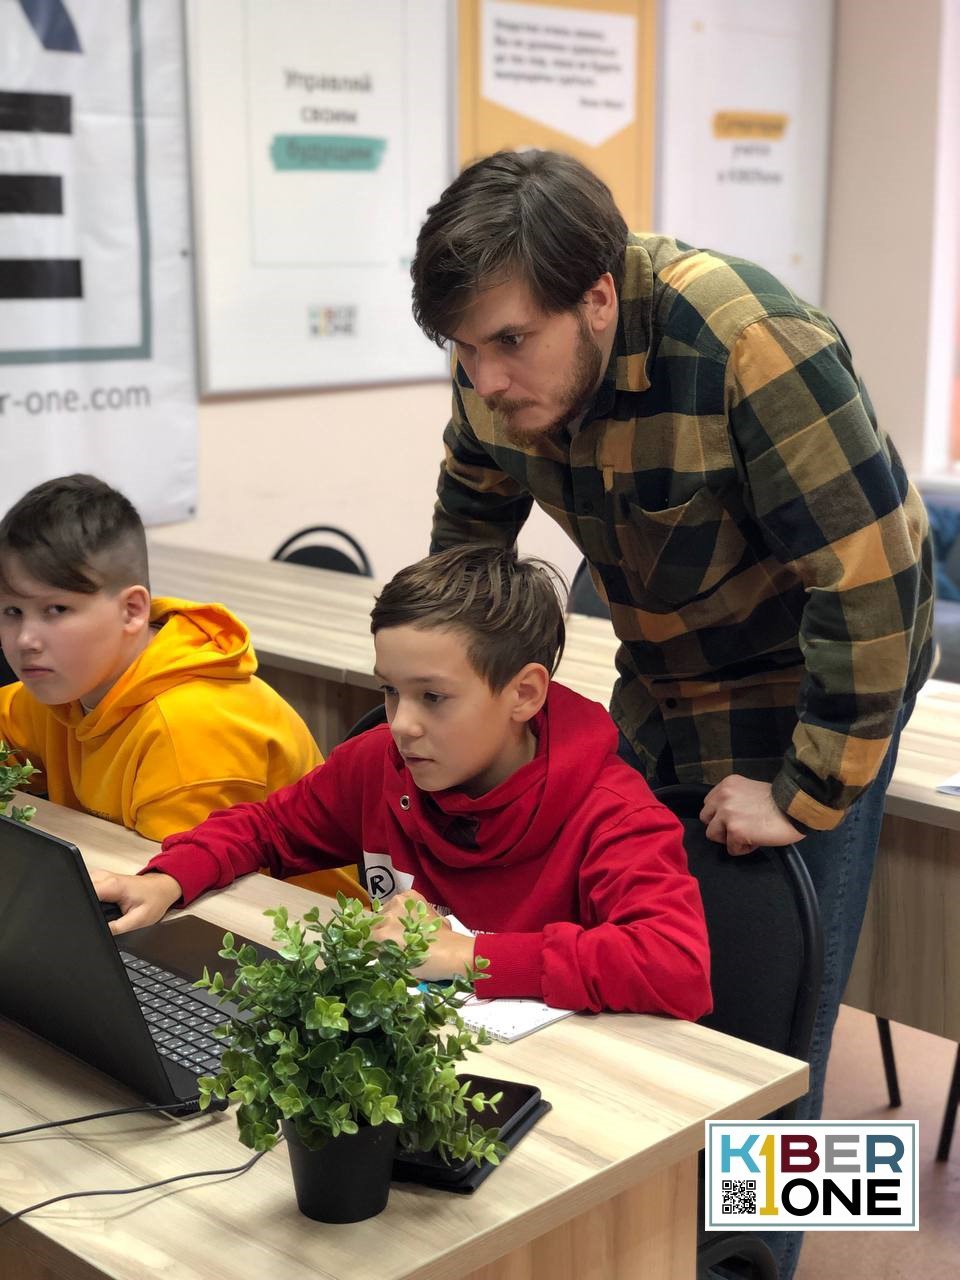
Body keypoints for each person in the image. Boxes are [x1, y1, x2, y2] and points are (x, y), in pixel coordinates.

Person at [411, 150, 933, 1276]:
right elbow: (467, 553)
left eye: (510, 343)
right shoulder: (495, 364)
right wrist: (438, 698)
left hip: (813, 693)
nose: (485, 378)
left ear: (599, 295)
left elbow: (877, 586)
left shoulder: (749, 343)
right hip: (664, 684)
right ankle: (645, 1246)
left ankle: (746, 1265)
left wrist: (805, 794)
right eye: (463, 348)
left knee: (766, 1046)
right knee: (645, 994)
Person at [94, 544, 712, 1018]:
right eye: (390, 691)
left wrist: (468, 956)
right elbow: (267, 827)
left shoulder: (612, 814)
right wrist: (170, 877)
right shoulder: (379, 764)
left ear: (524, 694)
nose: (401, 724)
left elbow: (677, 965)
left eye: (433, 697)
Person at [0, 473, 360, 901]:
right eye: (12, 611)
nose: (26, 639)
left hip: (276, 933)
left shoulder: (185, 730)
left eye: (56, 609)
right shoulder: (64, 684)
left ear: (133, 610)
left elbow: (176, 907)